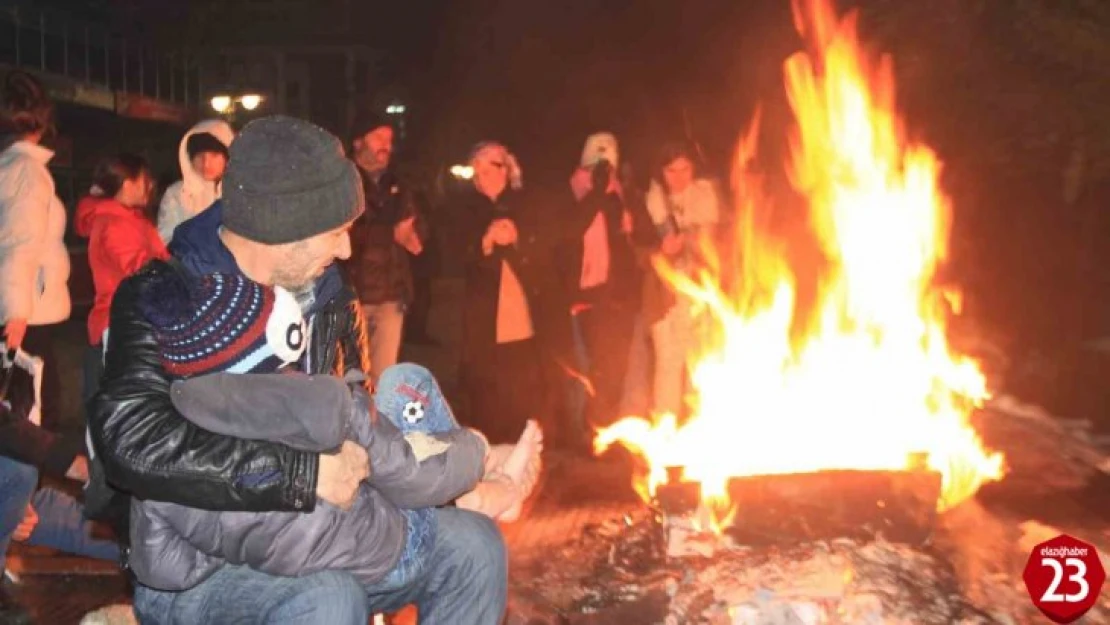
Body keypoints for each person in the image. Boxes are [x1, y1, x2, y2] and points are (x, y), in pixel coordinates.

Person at [86, 116, 509, 624]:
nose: (347, 250)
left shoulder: (331, 293)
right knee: (328, 599)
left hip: (325, 534)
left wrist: (425, 475)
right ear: (278, 227)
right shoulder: (164, 296)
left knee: (475, 546)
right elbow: (132, 440)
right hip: (198, 563)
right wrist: (297, 476)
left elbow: (357, 415)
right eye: (335, 232)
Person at [125, 269, 541, 593]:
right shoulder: (323, 401)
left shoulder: (169, 458)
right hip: (390, 553)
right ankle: (496, 488)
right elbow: (416, 478)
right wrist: (478, 445)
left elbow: (161, 567)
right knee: (406, 384)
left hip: (306, 565)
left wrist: (239, 547)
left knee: (378, 467)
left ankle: (480, 481)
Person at [453, 141, 571, 445]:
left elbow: (549, 246)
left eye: (490, 166)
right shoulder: (465, 209)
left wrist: (518, 237)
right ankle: (491, 448)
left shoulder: (528, 203)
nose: (482, 174)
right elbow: (454, 255)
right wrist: (486, 242)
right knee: (487, 387)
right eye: (476, 168)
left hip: (525, 312)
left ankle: (529, 446)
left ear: (507, 169)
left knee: (524, 380)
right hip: (484, 316)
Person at [0, 70, 70, 432]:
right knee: (37, 415)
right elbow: (19, 243)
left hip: (21, 306)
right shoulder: (27, 170)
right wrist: (16, 313)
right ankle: (29, 488)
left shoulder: (10, 166)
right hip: (28, 311)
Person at [75, 153, 167, 405]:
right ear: (128, 184)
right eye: (144, 179)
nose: (149, 185)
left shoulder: (126, 218)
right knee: (125, 404)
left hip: (127, 320)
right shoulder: (116, 223)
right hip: (121, 324)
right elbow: (141, 270)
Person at [344, 112, 425, 383]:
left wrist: (415, 234)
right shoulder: (344, 182)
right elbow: (345, 236)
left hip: (391, 295)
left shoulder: (398, 184)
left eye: (389, 139)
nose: (385, 145)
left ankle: (376, 425)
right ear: (358, 142)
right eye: (378, 137)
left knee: (384, 378)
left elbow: (417, 224)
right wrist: (390, 233)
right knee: (351, 376)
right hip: (354, 295)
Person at [643, 141, 721, 417]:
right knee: (668, 361)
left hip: (700, 290)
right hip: (665, 295)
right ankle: (665, 429)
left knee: (701, 361)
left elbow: (714, 242)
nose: (678, 177)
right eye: (671, 171)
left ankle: (698, 424)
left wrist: (689, 240)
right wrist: (658, 250)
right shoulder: (650, 201)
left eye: (684, 169)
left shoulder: (705, 195)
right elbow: (639, 246)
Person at [157, 119, 234, 245]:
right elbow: (167, 238)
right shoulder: (177, 193)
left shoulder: (242, 192)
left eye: (214, 155)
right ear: (189, 158)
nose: (206, 163)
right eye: (200, 156)